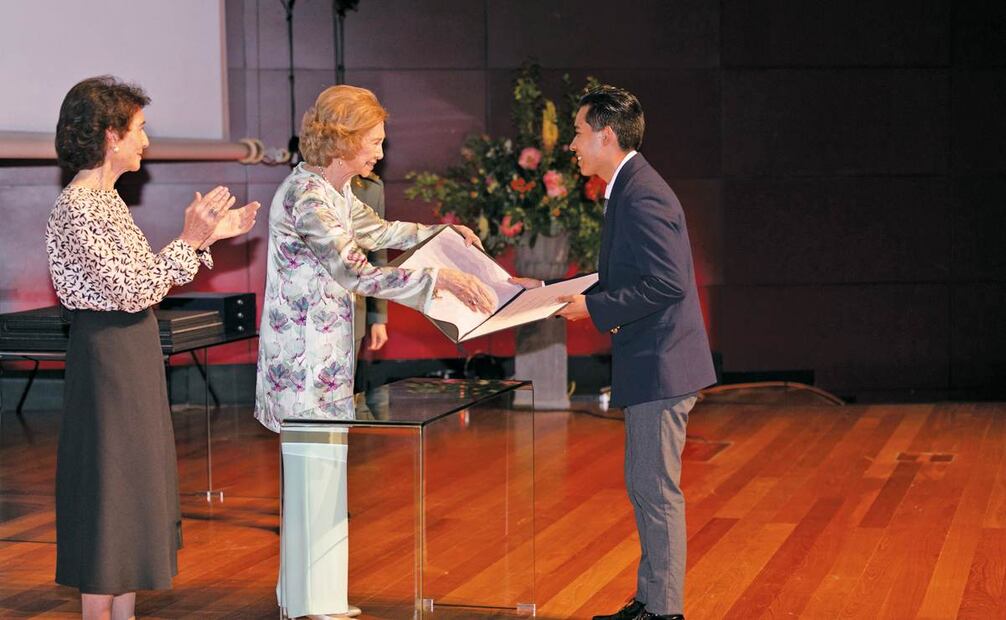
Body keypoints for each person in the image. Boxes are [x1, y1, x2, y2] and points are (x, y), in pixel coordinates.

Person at [254, 84, 493, 620]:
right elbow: (355, 271)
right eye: (375, 141)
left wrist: (442, 233)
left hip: (325, 363)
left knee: (322, 479)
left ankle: (311, 598)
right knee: (313, 481)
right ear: (343, 141)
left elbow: (379, 231)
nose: (381, 153)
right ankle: (310, 603)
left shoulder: (334, 191)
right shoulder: (308, 197)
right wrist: (436, 280)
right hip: (303, 367)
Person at [45, 75, 259, 620]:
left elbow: (141, 278)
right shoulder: (80, 206)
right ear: (110, 135)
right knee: (110, 489)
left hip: (130, 350)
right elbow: (135, 288)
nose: (146, 140)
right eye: (139, 129)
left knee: (134, 486)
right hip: (108, 358)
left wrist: (207, 237)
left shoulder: (106, 202)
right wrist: (189, 240)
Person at [517, 85, 716, 620]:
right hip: (654, 361)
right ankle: (650, 600)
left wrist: (593, 309)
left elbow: (667, 284)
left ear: (606, 136)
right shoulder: (630, 186)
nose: (572, 145)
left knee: (655, 490)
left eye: (578, 133)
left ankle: (664, 611)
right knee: (645, 486)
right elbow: (626, 276)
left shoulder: (642, 194)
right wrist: (544, 290)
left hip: (661, 364)